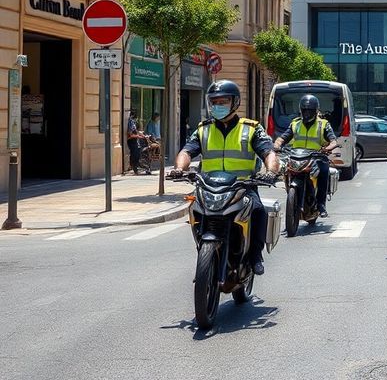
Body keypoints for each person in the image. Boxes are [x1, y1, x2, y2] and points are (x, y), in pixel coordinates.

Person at [171, 80, 276, 275]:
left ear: (235, 102)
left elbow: (269, 153)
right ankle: (204, 247)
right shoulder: (203, 129)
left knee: (259, 211)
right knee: (194, 211)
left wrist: (270, 171)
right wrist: (179, 168)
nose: (218, 106)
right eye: (214, 102)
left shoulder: (251, 129)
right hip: (208, 187)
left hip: (243, 187)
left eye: (223, 101)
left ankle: (255, 255)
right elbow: (186, 152)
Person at [271, 94, 339, 218]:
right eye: (305, 110)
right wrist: (277, 144)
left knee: (324, 171)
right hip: (297, 156)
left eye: (310, 110)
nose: (307, 113)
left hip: (317, 156)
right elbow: (283, 137)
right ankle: (292, 195)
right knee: (285, 171)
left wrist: (327, 149)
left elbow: (333, 141)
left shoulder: (323, 124)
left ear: (316, 110)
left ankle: (321, 205)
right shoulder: (295, 124)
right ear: (301, 110)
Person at [127, 109, 145, 174]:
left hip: (134, 140)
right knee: (135, 154)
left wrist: (141, 134)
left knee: (137, 152)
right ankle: (134, 167)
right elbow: (130, 134)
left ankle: (134, 166)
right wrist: (139, 136)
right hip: (132, 140)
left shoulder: (132, 121)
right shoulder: (131, 121)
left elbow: (135, 131)